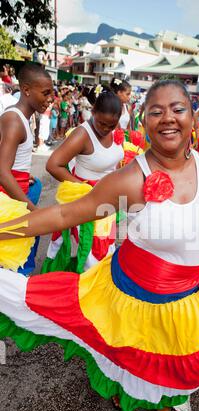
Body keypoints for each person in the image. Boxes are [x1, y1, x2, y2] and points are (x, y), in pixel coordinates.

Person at [0, 80, 199, 411]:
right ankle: (124, 385)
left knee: (175, 363)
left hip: (186, 297)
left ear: (193, 116)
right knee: (119, 349)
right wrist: (5, 230)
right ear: (144, 121)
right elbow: (64, 217)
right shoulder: (129, 178)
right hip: (127, 292)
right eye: (156, 111)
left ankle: (161, 401)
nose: (167, 118)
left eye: (177, 109)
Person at [42, 87, 124, 273]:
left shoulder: (112, 128)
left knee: (106, 243)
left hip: (108, 199)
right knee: (90, 249)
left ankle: (99, 283)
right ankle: (85, 289)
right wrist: (85, 189)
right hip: (86, 198)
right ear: (93, 111)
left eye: (111, 125)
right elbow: (53, 165)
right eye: (101, 123)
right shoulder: (82, 134)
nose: (106, 129)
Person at [0, 62, 53, 274]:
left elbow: (10, 164)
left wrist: (22, 175)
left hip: (17, 192)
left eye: (52, 93)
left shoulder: (22, 118)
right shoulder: (14, 120)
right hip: (9, 202)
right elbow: (2, 171)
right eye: (45, 93)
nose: (50, 99)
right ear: (27, 90)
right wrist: (32, 210)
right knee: (12, 266)